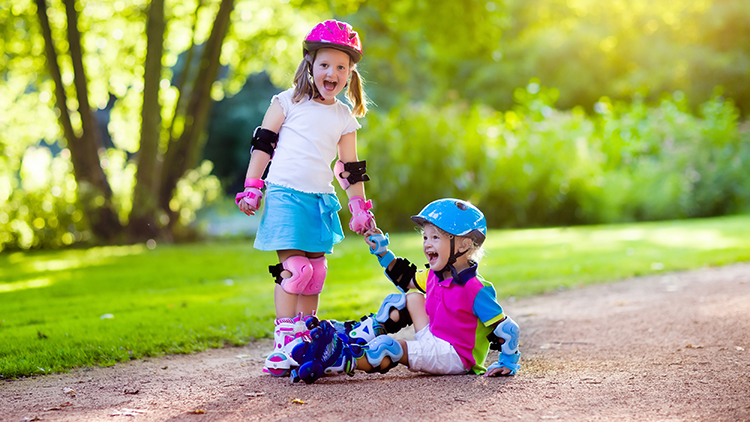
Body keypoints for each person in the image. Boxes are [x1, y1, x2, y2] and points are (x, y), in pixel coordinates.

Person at [235, 19, 376, 377]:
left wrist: (359, 208)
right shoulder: (287, 101)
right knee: (295, 272)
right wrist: (253, 186)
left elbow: (349, 168)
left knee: (315, 275)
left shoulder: (344, 115)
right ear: (310, 66)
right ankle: (284, 343)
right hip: (284, 195)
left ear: (350, 74)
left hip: (320, 200)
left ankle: (307, 336)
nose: (332, 72)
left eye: (341, 67)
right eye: (325, 64)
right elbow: (263, 144)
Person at [288, 198, 521, 383]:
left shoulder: (475, 289)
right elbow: (406, 277)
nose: (427, 243)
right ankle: (354, 336)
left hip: (455, 356)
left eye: (435, 237)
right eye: (425, 237)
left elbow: (507, 328)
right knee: (407, 298)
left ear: (463, 245)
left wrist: (508, 362)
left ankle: (340, 357)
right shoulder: (434, 276)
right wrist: (382, 252)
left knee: (388, 348)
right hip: (435, 337)